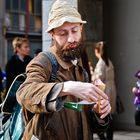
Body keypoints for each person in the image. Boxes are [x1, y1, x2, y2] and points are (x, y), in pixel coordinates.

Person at [16, 1, 111, 140]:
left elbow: (82, 118)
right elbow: (24, 93)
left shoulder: (79, 67)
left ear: (81, 28)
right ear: (52, 34)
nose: (71, 39)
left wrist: (97, 112)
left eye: (74, 30)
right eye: (63, 33)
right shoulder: (43, 61)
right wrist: (66, 87)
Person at [92, 41, 117, 140]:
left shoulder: (100, 63)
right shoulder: (109, 62)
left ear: (97, 50)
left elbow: (98, 80)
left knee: (100, 115)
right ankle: (109, 138)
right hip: (112, 90)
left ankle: (103, 138)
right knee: (109, 115)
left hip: (104, 91)